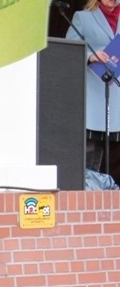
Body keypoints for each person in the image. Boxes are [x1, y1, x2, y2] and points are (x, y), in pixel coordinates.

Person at [66, 0, 120, 182]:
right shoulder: (83, 18)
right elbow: (69, 49)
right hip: (96, 94)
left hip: (118, 96)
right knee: (92, 157)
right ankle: (90, 193)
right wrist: (90, 56)